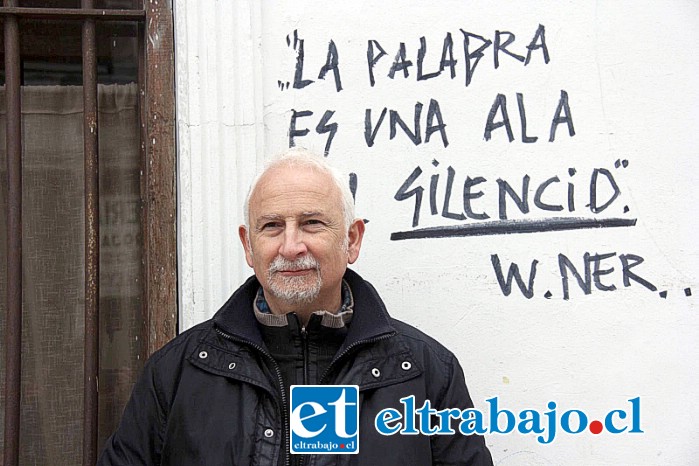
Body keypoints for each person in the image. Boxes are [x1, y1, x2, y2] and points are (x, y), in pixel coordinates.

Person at [98, 148, 493, 465]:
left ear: (352, 240)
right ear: (248, 246)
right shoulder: (176, 372)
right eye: (271, 226)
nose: (290, 246)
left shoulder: (426, 374)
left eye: (312, 223)